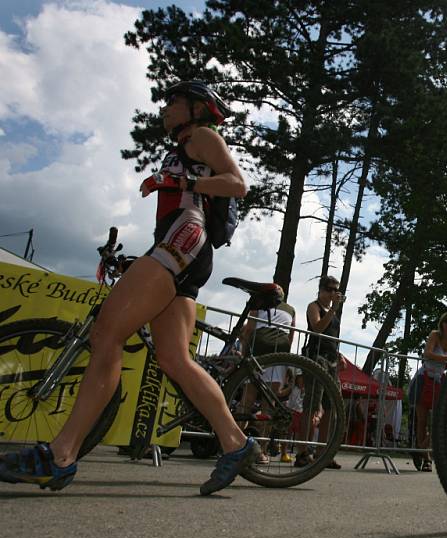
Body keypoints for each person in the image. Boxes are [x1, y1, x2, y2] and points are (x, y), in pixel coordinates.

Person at [0, 80, 257, 495]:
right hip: (182, 245)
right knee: (175, 360)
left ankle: (61, 454)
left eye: (173, 102)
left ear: (196, 108)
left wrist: (177, 184)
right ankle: (235, 442)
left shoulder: (203, 137)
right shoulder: (183, 148)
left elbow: (237, 184)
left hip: (185, 240)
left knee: (106, 334)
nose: (165, 108)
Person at [238, 283, 296, 463]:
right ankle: (261, 451)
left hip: (258, 350)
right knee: (268, 404)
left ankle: (236, 444)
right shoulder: (291, 309)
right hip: (278, 353)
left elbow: (249, 329)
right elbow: (291, 334)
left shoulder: (260, 302)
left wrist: (244, 350)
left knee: (246, 401)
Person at [300, 275, 346, 469]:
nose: (333, 292)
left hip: (331, 360)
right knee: (312, 405)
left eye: (336, 289)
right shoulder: (314, 306)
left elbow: (331, 337)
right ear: (321, 289)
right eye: (330, 288)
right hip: (316, 357)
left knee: (331, 407)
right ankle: (302, 452)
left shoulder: (332, 312)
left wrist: (340, 354)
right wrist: (333, 309)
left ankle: (322, 453)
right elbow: (317, 328)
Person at [416, 312, 447, 471]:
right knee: (422, 421)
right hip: (424, 379)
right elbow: (427, 353)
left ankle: (420, 450)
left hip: (439, 382)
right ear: (442, 323)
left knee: (439, 421)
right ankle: (426, 459)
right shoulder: (435, 335)